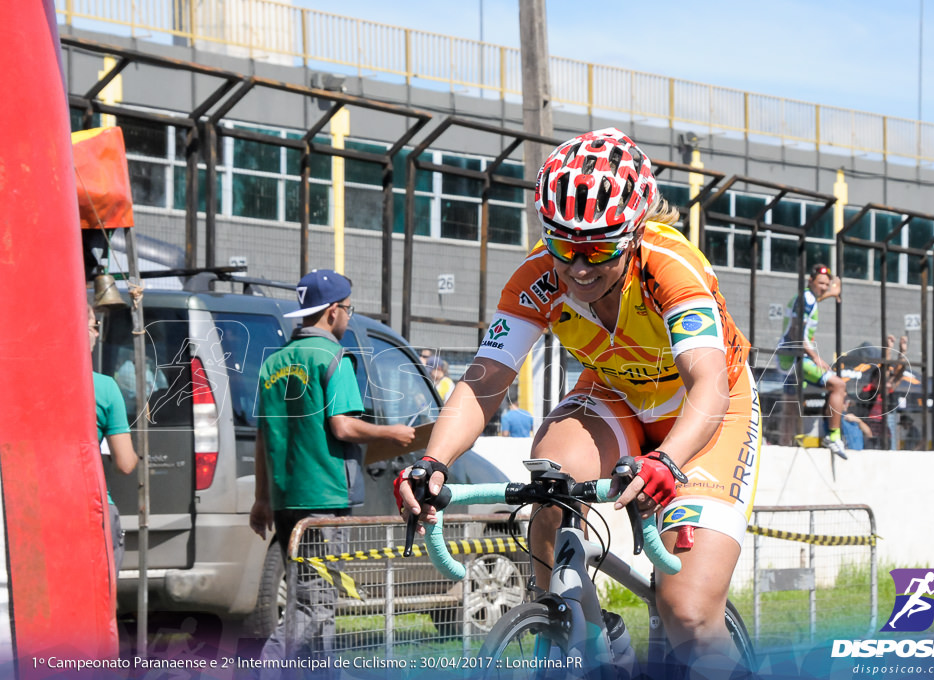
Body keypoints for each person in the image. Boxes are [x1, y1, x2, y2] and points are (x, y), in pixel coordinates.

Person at [396, 128, 760, 674]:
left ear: (635, 234)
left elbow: (707, 383)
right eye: (565, 247)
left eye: (598, 250)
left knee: (687, 610)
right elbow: (485, 379)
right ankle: (583, 638)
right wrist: (433, 463)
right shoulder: (540, 275)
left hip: (705, 409)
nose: (579, 267)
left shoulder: (669, 266)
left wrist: (668, 461)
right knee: (552, 479)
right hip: (615, 394)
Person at [249, 270, 415, 663]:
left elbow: (262, 439)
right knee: (314, 604)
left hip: (287, 498)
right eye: (348, 309)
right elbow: (341, 425)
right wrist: (391, 433)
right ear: (332, 312)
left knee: (313, 599)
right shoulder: (333, 357)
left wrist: (261, 499)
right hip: (324, 498)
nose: (348, 317)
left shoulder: (273, 364)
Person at [776, 263, 847, 458]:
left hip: (787, 358)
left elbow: (812, 302)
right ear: (810, 281)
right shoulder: (807, 298)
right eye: (821, 283)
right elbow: (796, 331)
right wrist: (815, 357)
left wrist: (832, 293)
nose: (823, 287)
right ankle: (833, 436)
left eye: (826, 284)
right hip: (797, 358)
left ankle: (783, 445)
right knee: (838, 385)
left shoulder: (807, 298)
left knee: (790, 408)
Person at [90, 306, 138, 574]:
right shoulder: (106, 388)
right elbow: (125, 463)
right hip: (94, 506)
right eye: (95, 325)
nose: (98, 332)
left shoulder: (32, 384)